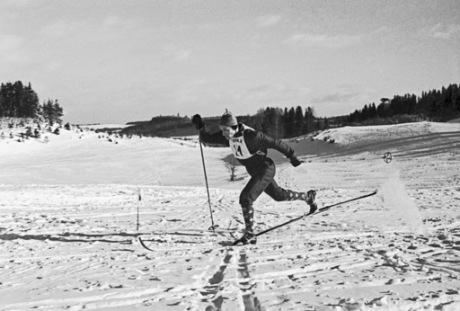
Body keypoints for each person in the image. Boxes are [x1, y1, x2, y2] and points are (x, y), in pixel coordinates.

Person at [192, 110, 317, 245]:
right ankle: (308, 197)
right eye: (222, 130)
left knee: (246, 197)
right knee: (278, 195)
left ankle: (250, 233)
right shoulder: (228, 137)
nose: (223, 133)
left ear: (234, 127)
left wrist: (292, 157)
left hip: (265, 168)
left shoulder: (252, 137)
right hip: (255, 171)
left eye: (225, 130)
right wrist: (200, 127)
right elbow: (206, 139)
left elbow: (276, 143)